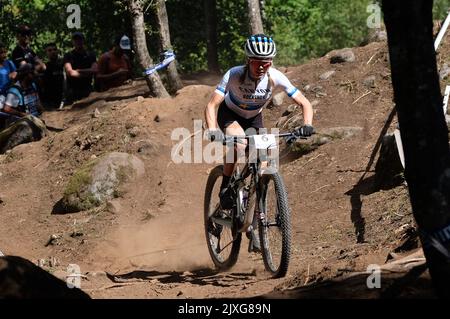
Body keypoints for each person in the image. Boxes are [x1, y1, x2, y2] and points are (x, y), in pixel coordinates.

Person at [204, 34, 314, 251]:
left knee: (265, 163)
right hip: (231, 115)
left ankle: (254, 223)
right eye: (258, 62)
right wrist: (213, 130)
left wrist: (307, 124)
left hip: (254, 118)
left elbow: (304, 103)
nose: (263, 66)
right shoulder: (234, 75)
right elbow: (211, 106)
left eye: (267, 61)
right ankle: (226, 186)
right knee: (239, 143)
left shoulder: (275, 77)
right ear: (248, 60)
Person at [1, 63, 44, 128]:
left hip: (35, 119)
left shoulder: (32, 85)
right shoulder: (15, 90)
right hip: (23, 122)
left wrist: (40, 109)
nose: (35, 75)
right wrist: (22, 114)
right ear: (25, 75)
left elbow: (38, 102)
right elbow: (7, 109)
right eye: (32, 73)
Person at [63, 32, 97, 103]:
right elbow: (70, 72)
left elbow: (95, 69)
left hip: (88, 89)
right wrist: (88, 73)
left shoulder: (91, 55)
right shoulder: (68, 55)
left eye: (79, 39)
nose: (78, 42)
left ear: (83, 40)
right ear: (73, 42)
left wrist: (78, 71)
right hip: (73, 91)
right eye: (75, 40)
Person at [40, 43, 64, 109]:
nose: (53, 52)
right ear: (46, 53)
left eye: (54, 49)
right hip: (50, 102)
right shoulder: (44, 67)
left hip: (64, 99)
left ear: (57, 51)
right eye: (50, 50)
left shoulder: (64, 64)